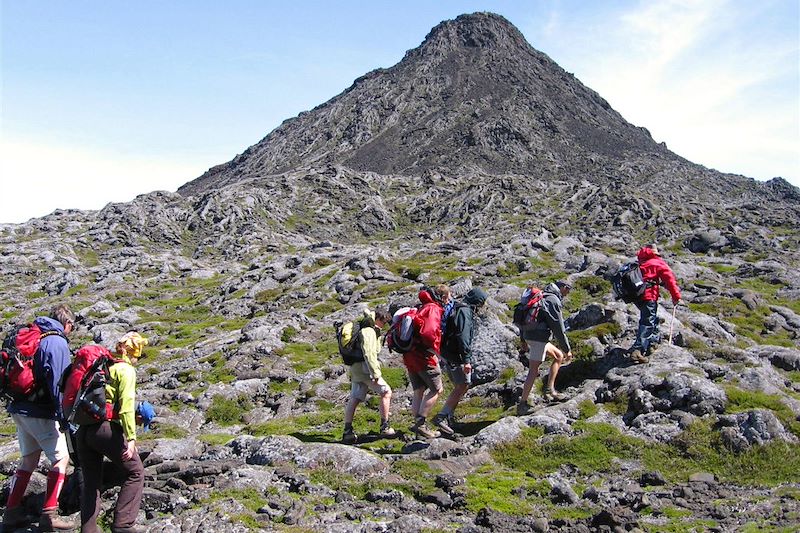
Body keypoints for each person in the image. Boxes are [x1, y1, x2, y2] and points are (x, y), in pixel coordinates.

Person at [2, 305, 76, 531]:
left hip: (18, 407)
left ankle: (11, 512)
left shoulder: (33, 333)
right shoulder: (57, 341)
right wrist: (64, 416)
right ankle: (49, 515)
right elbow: (58, 383)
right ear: (67, 323)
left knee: (29, 460)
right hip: (38, 410)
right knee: (61, 460)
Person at [76, 332, 150, 533]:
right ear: (134, 353)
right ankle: (123, 525)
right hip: (105, 430)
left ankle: (88, 529)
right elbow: (126, 407)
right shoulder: (126, 370)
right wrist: (132, 438)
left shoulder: (103, 366)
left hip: (83, 431)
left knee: (91, 483)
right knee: (135, 472)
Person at [433, 287, 488, 436]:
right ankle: (442, 416)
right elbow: (463, 337)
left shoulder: (459, 307)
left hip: (447, 352)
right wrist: (467, 360)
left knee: (462, 384)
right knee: (463, 384)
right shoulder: (465, 311)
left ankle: (448, 416)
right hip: (454, 354)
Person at [517, 281, 573, 415]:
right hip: (538, 339)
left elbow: (523, 319)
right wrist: (567, 349)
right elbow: (558, 327)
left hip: (531, 336)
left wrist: (523, 339)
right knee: (533, 371)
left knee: (558, 356)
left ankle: (550, 390)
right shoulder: (552, 300)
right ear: (562, 287)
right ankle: (522, 405)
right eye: (568, 289)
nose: (568, 293)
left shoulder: (541, 296)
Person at [342, 308, 396, 444]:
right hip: (365, 370)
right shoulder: (369, 331)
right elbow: (369, 354)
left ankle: (347, 431)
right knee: (386, 392)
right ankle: (385, 426)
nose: (383, 326)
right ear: (378, 319)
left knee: (355, 398)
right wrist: (375, 373)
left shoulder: (364, 327)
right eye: (384, 322)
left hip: (356, 368)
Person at [402, 285, 450, 439]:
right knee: (437, 389)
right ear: (442, 297)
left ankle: (417, 426)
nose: (449, 300)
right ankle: (421, 423)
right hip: (423, 356)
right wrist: (435, 350)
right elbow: (429, 334)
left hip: (410, 355)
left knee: (419, 389)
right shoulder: (432, 308)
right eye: (448, 297)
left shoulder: (420, 307)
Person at [628, 244, 681, 363]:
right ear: (655, 254)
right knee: (647, 322)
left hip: (637, 296)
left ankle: (653, 343)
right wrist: (676, 296)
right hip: (649, 295)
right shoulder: (657, 263)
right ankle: (638, 350)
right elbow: (669, 280)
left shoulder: (641, 262)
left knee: (651, 318)